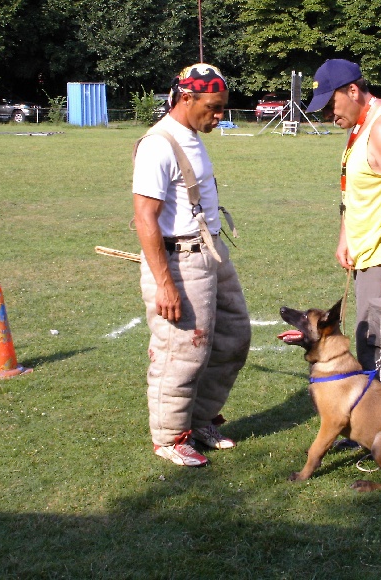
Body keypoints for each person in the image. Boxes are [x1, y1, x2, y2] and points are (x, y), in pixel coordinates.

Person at [132, 63, 251, 466]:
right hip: (179, 260)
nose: (219, 117)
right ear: (187, 98)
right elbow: (145, 216)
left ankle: (199, 420)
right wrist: (165, 284)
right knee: (182, 352)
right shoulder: (158, 144)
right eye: (214, 108)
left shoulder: (191, 134)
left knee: (234, 335)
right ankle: (169, 437)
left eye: (222, 109)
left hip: (212, 254)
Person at [306, 59, 381, 406]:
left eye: (331, 105)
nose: (329, 115)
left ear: (354, 91)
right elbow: (356, 188)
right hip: (368, 253)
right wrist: (346, 236)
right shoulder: (358, 126)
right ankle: (377, 426)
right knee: (370, 339)